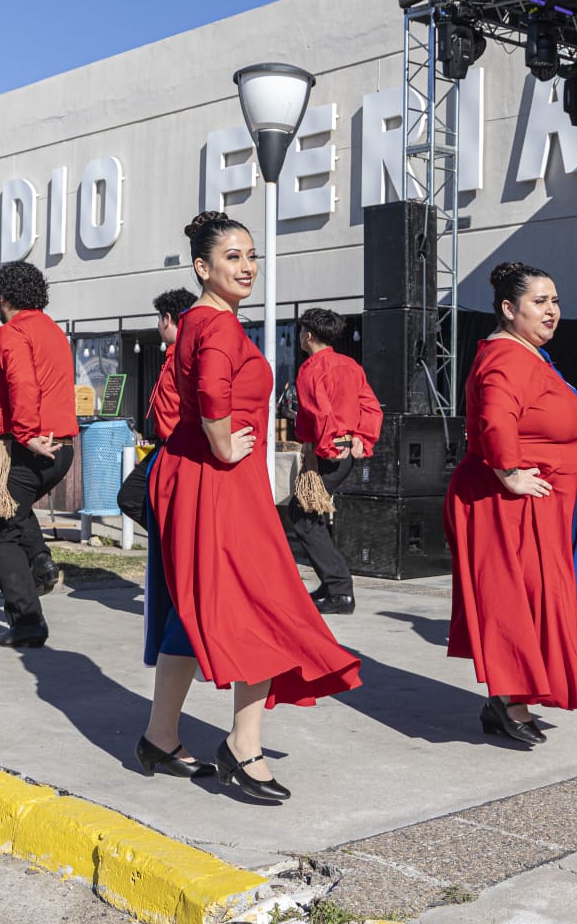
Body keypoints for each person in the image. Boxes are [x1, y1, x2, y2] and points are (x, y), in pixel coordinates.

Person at [140, 211, 360, 801]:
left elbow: (188, 394)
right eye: (233, 257)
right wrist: (217, 437)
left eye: (251, 255)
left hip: (209, 479)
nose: (247, 266)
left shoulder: (202, 319)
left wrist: (209, 440)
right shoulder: (215, 325)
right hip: (218, 479)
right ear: (202, 267)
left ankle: (160, 736)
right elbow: (211, 389)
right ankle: (243, 745)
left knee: (195, 611)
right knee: (261, 604)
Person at [443, 263, 577, 747]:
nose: (552, 311)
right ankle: (509, 701)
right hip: (507, 505)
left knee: (542, 602)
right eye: (540, 302)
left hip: (542, 505)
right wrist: (509, 472)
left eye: (555, 301)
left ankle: (511, 698)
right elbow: (494, 418)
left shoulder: (529, 355)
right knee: (517, 604)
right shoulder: (505, 356)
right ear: (508, 308)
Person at [0, 260, 77, 649]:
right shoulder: (53, 331)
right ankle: (38, 559)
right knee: (12, 512)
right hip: (61, 450)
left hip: (26, 448)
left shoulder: (12, 332)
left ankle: (28, 621)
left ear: (4, 298)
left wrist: (26, 432)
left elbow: (22, 382)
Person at [289, 307, 382, 615]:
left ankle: (340, 589)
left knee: (302, 517)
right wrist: (362, 439)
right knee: (309, 516)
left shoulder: (311, 369)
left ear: (309, 334)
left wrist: (325, 448)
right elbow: (370, 406)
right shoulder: (350, 365)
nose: (300, 336)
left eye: (302, 331)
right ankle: (333, 586)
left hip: (328, 453)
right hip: (343, 452)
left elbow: (319, 414)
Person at [116, 287, 196, 528]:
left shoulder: (183, 357)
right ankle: (170, 544)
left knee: (131, 497)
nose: (159, 326)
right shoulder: (176, 355)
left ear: (167, 319)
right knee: (134, 498)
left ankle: (173, 543)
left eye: (159, 319)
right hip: (167, 445)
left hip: (177, 447)